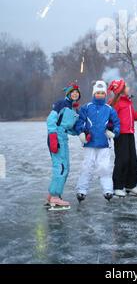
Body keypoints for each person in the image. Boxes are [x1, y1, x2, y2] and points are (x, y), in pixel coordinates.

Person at [75, 80, 120, 202]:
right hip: (89, 143)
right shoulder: (87, 107)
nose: (100, 95)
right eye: (97, 92)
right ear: (94, 93)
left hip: (104, 144)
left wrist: (114, 132)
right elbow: (79, 121)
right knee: (87, 166)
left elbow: (116, 123)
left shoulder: (109, 109)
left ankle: (108, 190)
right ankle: (82, 190)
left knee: (104, 167)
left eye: (102, 93)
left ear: (105, 94)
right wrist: (81, 133)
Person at [108, 79, 137, 197]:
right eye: (126, 86)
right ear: (121, 90)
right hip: (120, 135)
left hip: (130, 134)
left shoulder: (128, 102)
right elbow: (110, 118)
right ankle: (117, 186)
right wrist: (111, 129)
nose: (129, 88)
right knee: (123, 160)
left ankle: (130, 185)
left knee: (133, 161)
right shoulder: (116, 103)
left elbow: (135, 116)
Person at [46, 82, 81, 210]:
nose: (75, 93)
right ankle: (55, 196)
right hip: (56, 137)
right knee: (60, 167)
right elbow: (51, 120)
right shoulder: (61, 104)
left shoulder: (73, 109)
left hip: (63, 138)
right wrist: (53, 136)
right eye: (72, 92)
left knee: (65, 167)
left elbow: (70, 129)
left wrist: (81, 133)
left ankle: (52, 195)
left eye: (77, 92)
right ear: (68, 93)